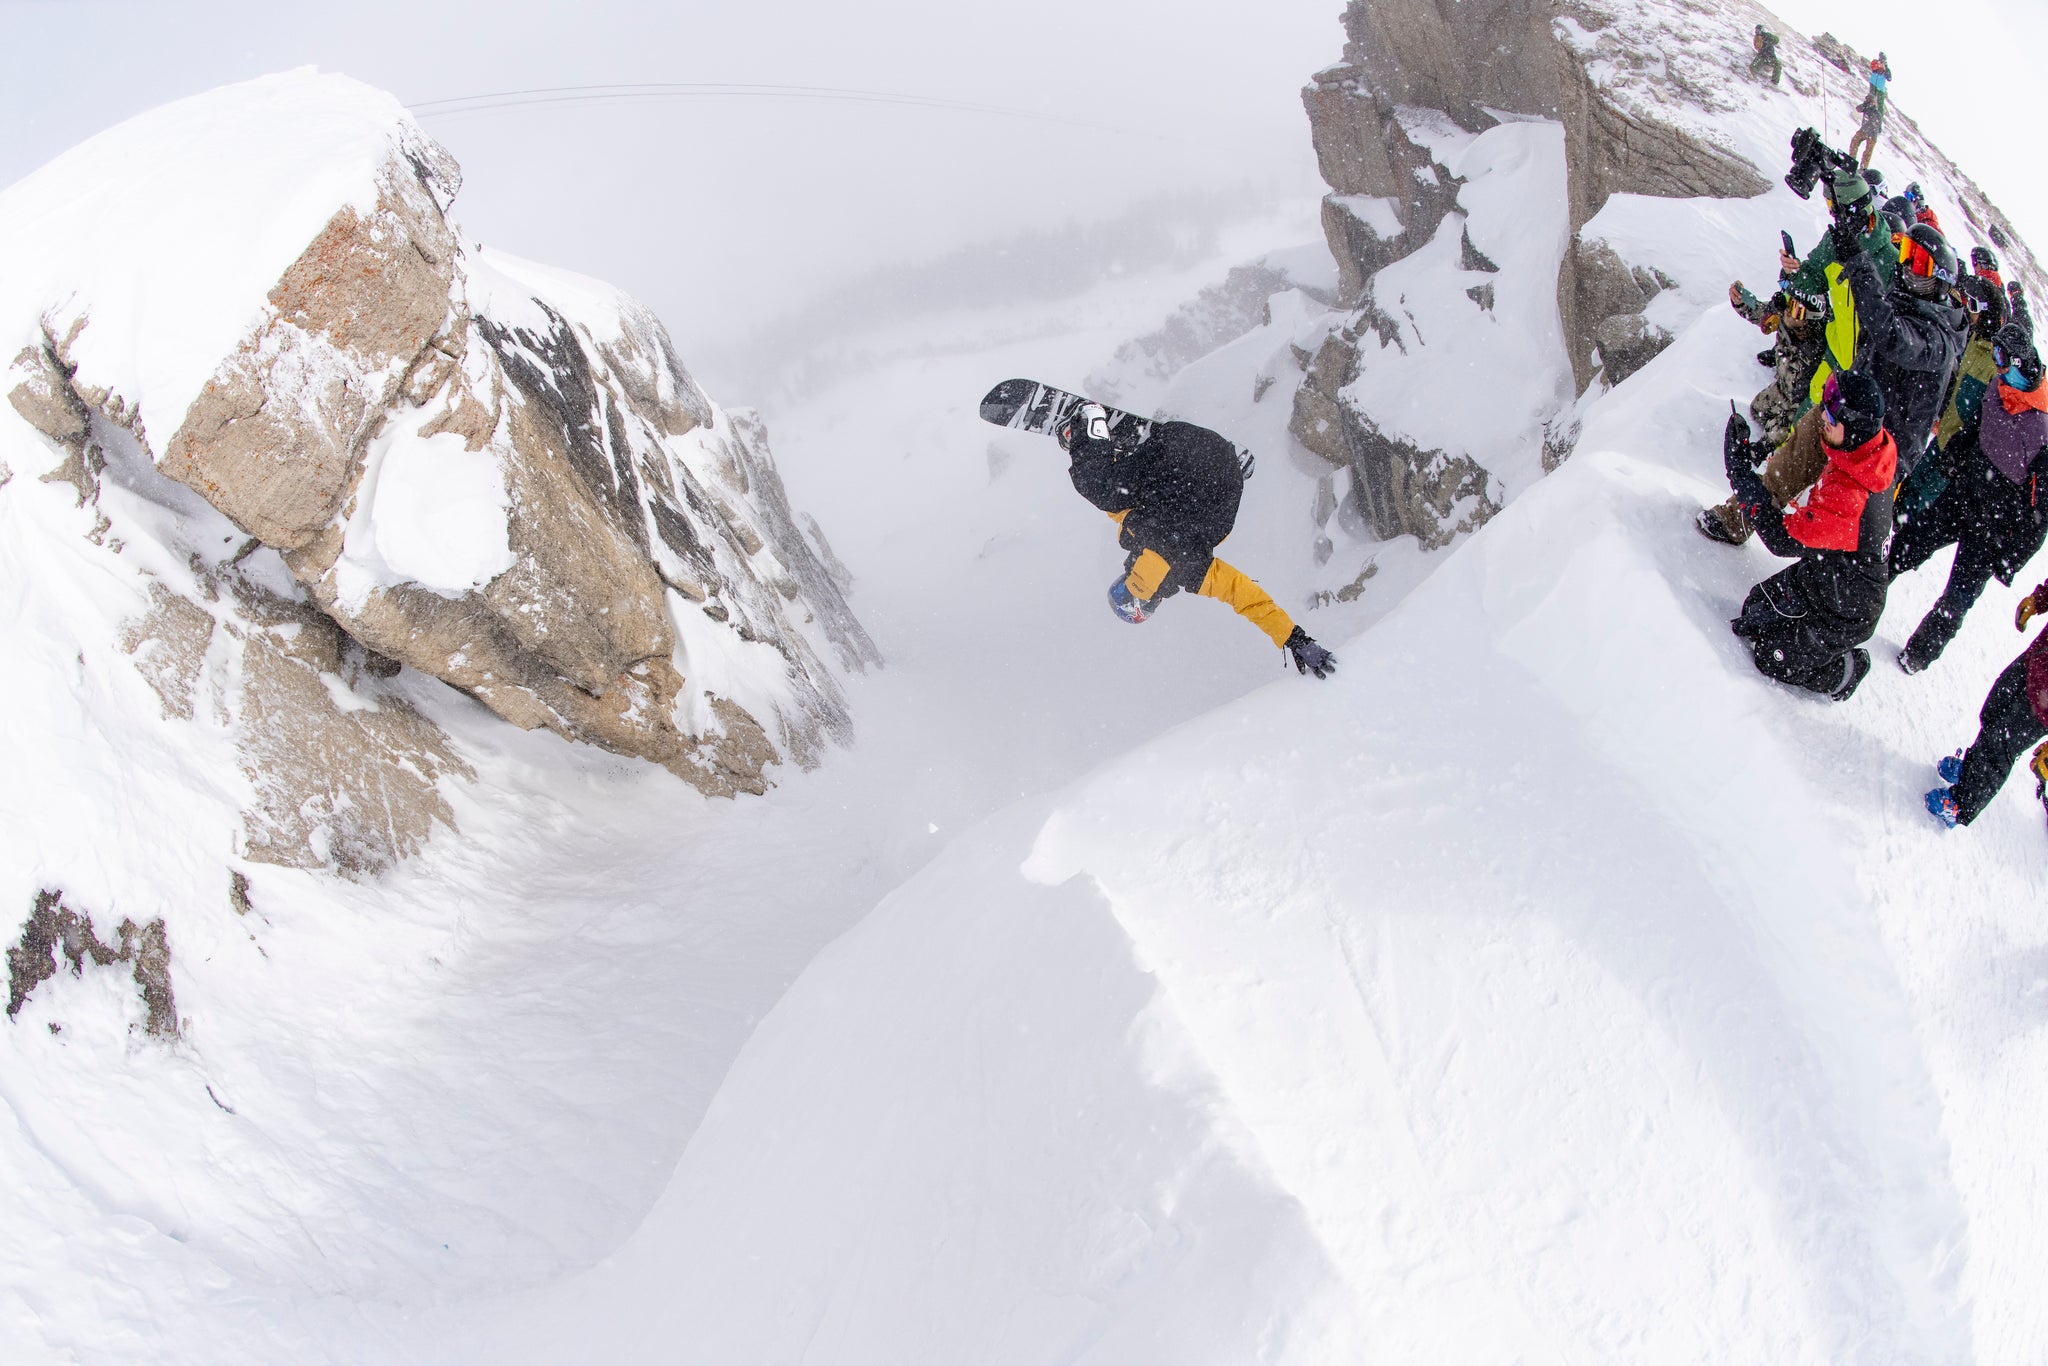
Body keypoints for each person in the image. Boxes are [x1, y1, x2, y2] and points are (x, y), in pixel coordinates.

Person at [1057, 402, 1336, 678]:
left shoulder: (1194, 572)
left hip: (1225, 472)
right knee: (1102, 487)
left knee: (1178, 511)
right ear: (1132, 592)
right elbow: (1117, 509)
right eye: (1120, 590)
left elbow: (1251, 600)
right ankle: (1086, 422)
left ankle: (1227, 456)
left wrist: (1295, 638)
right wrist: (1086, 452)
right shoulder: (1142, 539)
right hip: (1176, 450)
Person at [1697, 178, 1894, 545]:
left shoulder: (1886, 267)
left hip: (1863, 400)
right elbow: (1808, 283)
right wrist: (1793, 275)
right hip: (1838, 378)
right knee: (1795, 440)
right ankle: (1758, 517)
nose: (1833, 217)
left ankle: (1805, 551)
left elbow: (1889, 337)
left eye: (1837, 209)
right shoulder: (1838, 242)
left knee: (1836, 489)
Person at [1724, 370, 1898, 701]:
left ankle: (1846, 670)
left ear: (1855, 428)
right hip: (1827, 570)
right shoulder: (1869, 449)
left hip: (1846, 609)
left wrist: (1742, 479)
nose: (1823, 417)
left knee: (1770, 658)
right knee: (1754, 614)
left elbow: (1779, 539)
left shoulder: (1851, 498)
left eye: (1832, 414)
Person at [1890, 327, 2048, 672]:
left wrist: (2010, 559)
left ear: (2020, 364)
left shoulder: (2042, 430)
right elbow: (1976, 429)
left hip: (1994, 531)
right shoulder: (1999, 387)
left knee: (1956, 599)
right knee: (1910, 542)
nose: (1997, 366)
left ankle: (1918, 655)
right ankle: (1866, 590)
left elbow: (2042, 513)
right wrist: (1952, 458)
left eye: (2003, 360)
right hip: (1963, 495)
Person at [1834, 212, 1967, 479]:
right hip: (1853, 423)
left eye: (1918, 262)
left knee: (1834, 511)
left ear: (1939, 279)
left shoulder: (1940, 341)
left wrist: (1859, 265)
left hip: (1882, 457)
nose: (1906, 265)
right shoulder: (1904, 301)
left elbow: (1892, 337)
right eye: (1907, 253)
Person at [1924, 581, 2048, 828]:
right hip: (2037, 661)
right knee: (1993, 711)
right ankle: (1971, 771)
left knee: (2001, 744)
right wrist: (2040, 599)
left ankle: (1961, 805)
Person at [1847, 59, 1888, 170]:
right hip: (1870, 132)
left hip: (1867, 130)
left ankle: (1854, 163)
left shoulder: (1873, 108)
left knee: (1858, 144)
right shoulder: (1874, 109)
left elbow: (1860, 109)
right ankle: (1861, 167)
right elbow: (1860, 109)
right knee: (1866, 151)